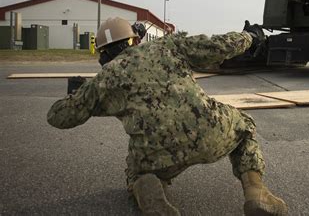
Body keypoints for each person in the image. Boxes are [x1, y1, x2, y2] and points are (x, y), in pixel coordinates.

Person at [47, 17, 288, 216]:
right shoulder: (168, 45)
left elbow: (59, 117)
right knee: (244, 127)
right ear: (134, 39)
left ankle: (149, 190)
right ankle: (256, 192)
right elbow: (220, 45)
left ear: (103, 56)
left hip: (159, 154)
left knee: (136, 168)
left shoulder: (105, 80)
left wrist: (80, 95)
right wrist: (250, 37)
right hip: (210, 131)